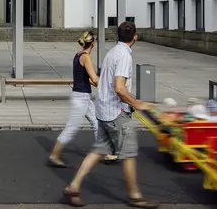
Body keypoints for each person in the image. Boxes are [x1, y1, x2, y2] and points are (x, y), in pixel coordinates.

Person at [62, 21, 158, 208]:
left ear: (117, 36)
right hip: (116, 112)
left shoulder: (112, 52)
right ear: (135, 37)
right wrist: (137, 103)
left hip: (102, 109)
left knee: (99, 149)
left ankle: (73, 186)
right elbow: (120, 88)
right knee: (128, 153)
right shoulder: (124, 56)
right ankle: (135, 196)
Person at [48, 31, 118, 167]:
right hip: (81, 98)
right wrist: (109, 88)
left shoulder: (78, 55)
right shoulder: (86, 57)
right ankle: (54, 155)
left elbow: (86, 79)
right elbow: (94, 78)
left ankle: (105, 153)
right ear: (93, 43)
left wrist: (98, 84)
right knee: (72, 127)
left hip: (83, 97)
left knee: (97, 123)